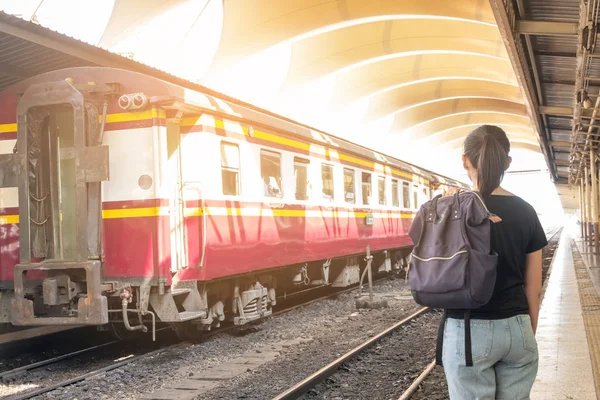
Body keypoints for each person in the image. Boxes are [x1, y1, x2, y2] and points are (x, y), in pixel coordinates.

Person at [442, 125, 548, 399]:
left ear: (464, 161)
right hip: (517, 327)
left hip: (466, 330)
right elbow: (533, 288)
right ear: (508, 162)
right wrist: (527, 334)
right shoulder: (526, 211)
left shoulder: (450, 209)